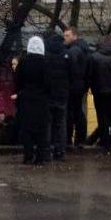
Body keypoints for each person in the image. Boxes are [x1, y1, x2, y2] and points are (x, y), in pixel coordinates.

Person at [14, 36, 51, 165]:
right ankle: (40, 157)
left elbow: (17, 81)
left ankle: (28, 155)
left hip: (26, 99)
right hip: (41, 100)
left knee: (27, 129)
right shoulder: (46, 62)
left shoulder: (23, 62)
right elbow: (49, 83)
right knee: (41, 129)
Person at [44, 33, 71, 161]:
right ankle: (60, 152)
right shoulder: (66, 55)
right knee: (60, 124)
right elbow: (73, 73)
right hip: (62, 94)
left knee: (48, 123)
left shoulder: (45, 56)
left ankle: (47, 151)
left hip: (48, 94)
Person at [64, 27, 90, 149]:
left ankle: (69, 139)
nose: (65, 38)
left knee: (71, 112)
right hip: (81, 85)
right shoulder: (84, 49)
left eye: (67, 36)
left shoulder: (73, 51)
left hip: (73, 86)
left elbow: (71, 69)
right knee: (78, 111)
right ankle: (80, 139)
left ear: (75, 36)